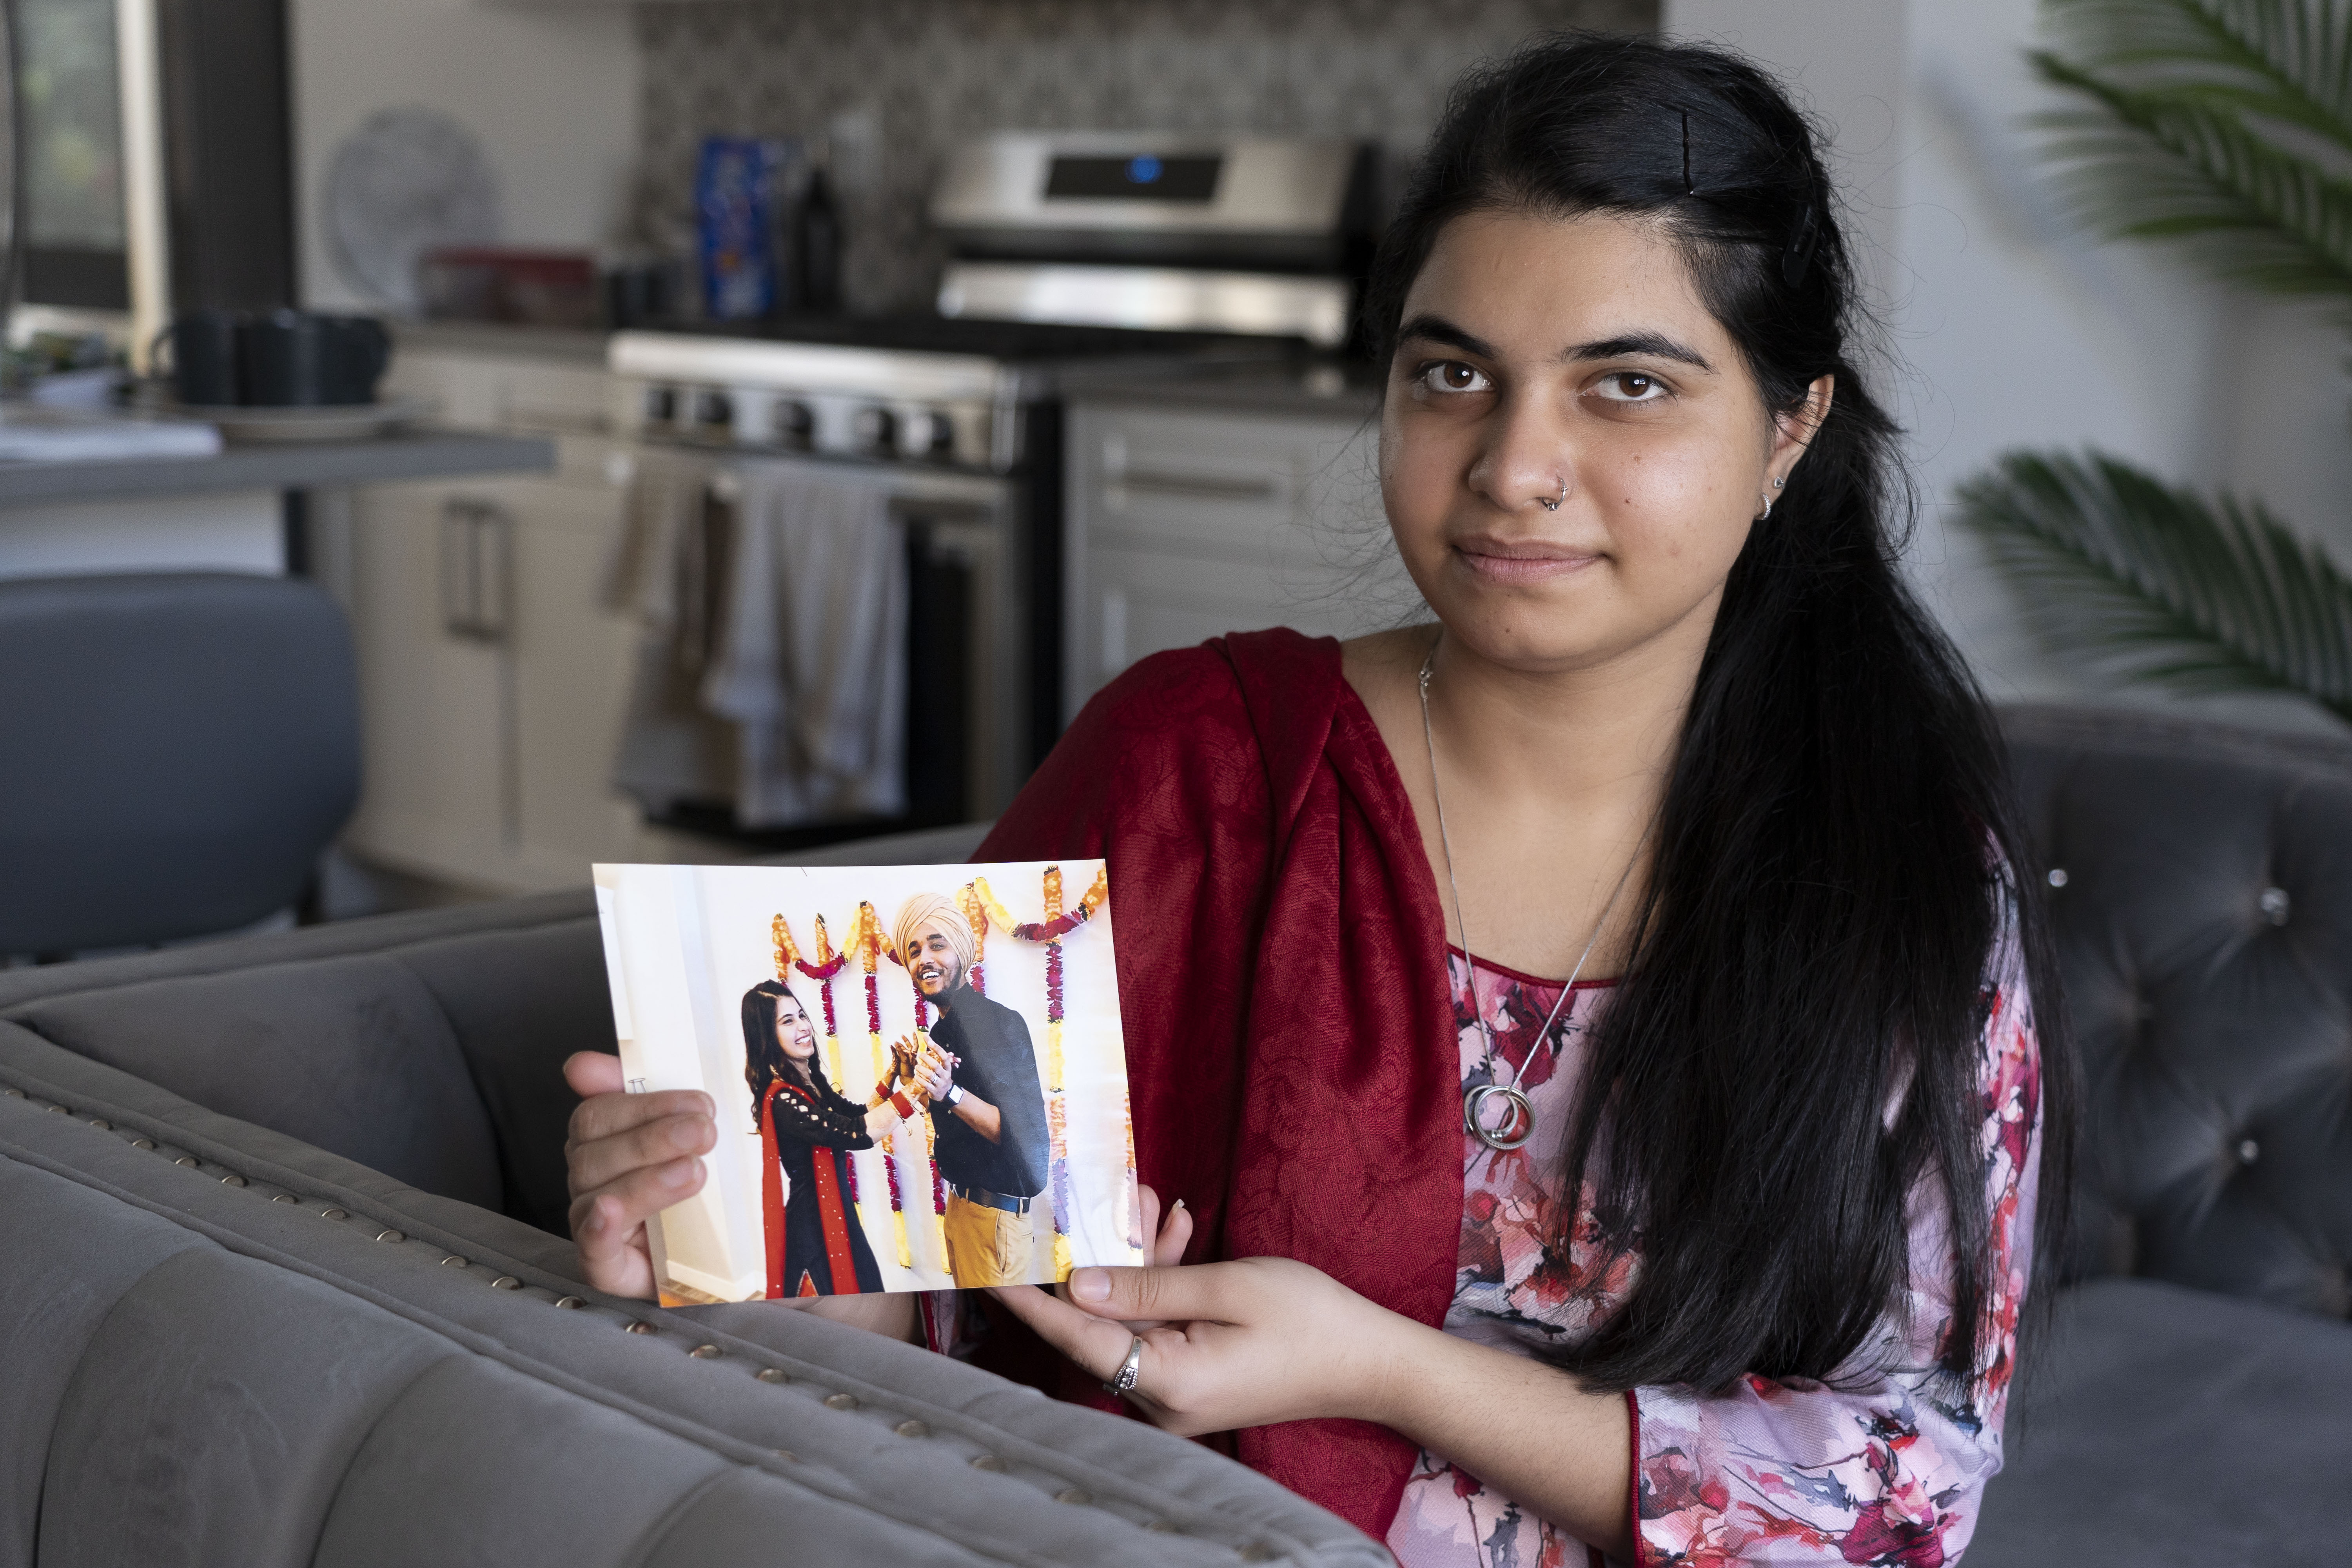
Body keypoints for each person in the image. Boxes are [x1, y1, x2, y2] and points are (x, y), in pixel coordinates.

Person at [564, 31, 2074, 1565]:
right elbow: (912, 1302)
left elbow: (1902, 1484)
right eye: (1453, 374)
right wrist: (715, 1218)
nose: (1514, 465)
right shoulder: (1189, 758)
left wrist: (1375, 1363)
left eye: (1625, 385)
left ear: (1790, 429)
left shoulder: (1897, 874)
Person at [742, 979, 942, 1298]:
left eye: (802, 1015)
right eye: (787, 1021)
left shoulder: (809, 1085)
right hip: (813, 1230)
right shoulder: (784, 1099)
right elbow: (858, 1134)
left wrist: (894, 1074)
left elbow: (856, 1115)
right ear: (767, 1035)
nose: (803, 1027)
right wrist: (916, 1088)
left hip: (833, 1215)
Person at [893, 892, 1052, 1287]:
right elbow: (958, 1123)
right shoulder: (945, 1031)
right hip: (963, 1210)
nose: (924, 959)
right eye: (914, 951)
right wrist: (914, 1076)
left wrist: (950, 1092)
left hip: (993, 1221)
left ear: (962, 951)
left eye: (937, 944)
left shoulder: (996, 1023)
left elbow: (1022, 1138)